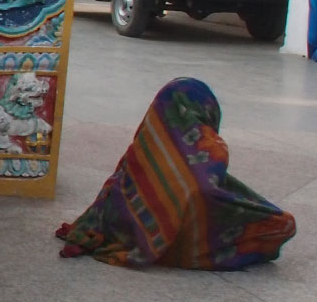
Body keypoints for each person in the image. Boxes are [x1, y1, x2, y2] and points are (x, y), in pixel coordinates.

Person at [56, 77, 296, 269]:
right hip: (191, 233)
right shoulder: (209, 153)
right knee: (282, 224)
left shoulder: (139, 156)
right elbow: (209, 189)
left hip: (136, 232)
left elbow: (105, 205)